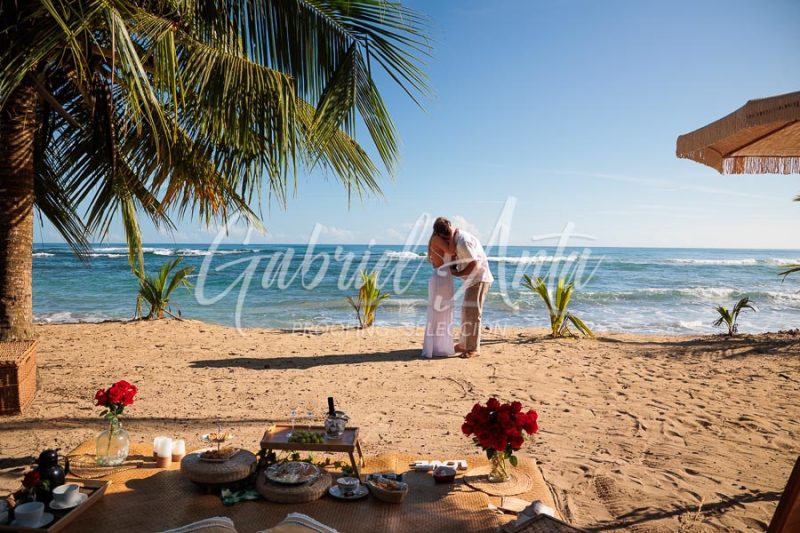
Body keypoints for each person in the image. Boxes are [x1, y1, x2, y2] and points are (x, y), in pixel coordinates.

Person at [432, 217, 493, 358]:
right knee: (466, 312)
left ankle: (474, 348)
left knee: (473, 314)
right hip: (472, 280)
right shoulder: (457, 238)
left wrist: (457, 273)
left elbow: (475, 265)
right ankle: (464, 344)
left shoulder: (462, 242)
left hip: (479, 279)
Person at [421, 233, 457, 357]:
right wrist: (454, 234)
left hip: (446, 278)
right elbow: (451, 252)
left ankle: (440, 346)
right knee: (437, 312)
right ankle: (434, 347)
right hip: (441, 278)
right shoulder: (436, 239)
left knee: (444, 312)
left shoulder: (440, 241)